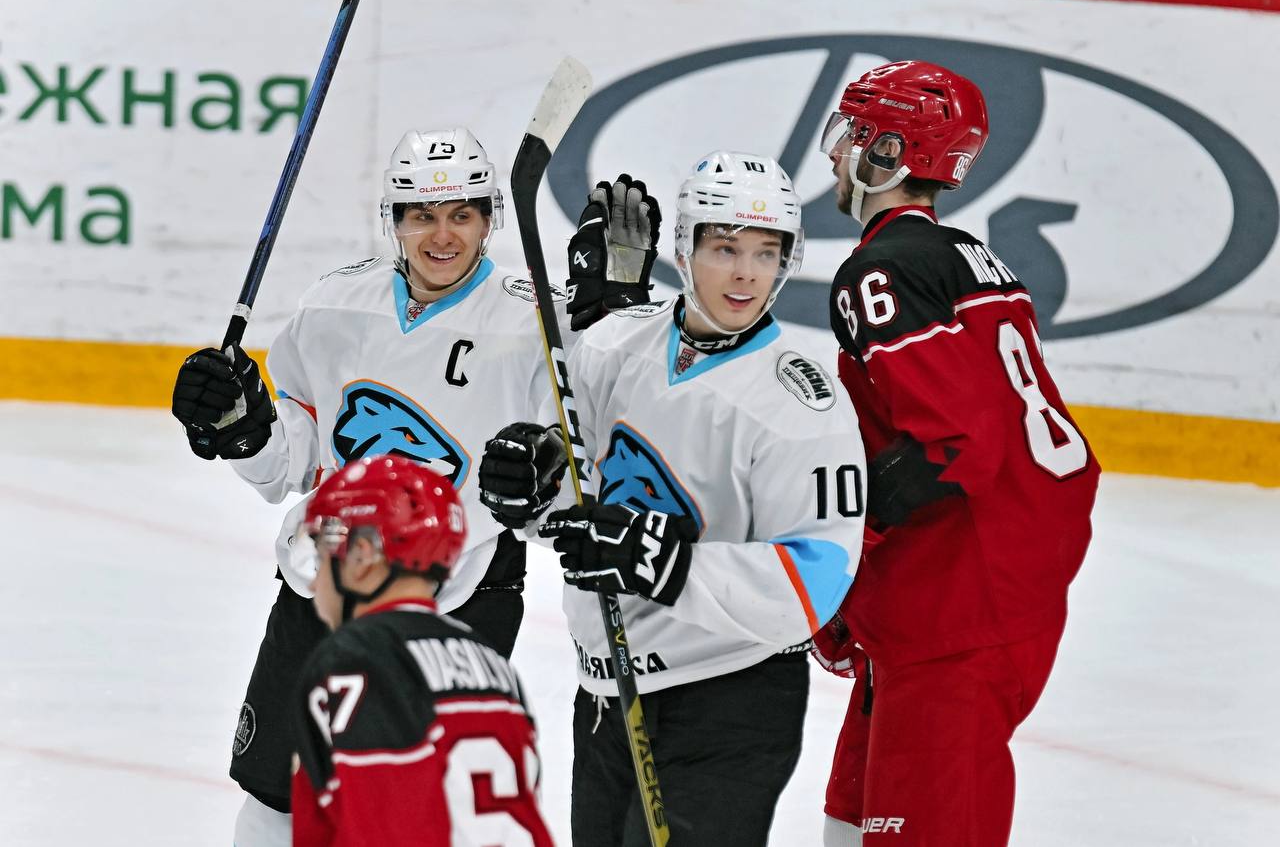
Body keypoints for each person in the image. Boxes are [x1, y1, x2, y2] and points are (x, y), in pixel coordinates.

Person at [169, 127, 570, 844]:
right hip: (322, 584)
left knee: (414, 809)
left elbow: (568, 489)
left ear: (489, 219)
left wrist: (541, 489)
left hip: (458, 599)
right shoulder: (335, 305)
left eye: (462, 214)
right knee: (277, 795)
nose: (442, 235)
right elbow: (289, 465)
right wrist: (243, 429)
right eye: (422, 215)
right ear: (394, 220)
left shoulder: (534, 322)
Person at [479, 152, 866, 847]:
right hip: (606, 689)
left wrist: (666, 562)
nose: (747, 273)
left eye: (766, 252)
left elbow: (818, 578)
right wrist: (531, 488)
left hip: (728, 698)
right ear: (684, 249)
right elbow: (577, 500)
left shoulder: (801, 402)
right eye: (726, 249)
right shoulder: (613, 344)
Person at [814, 61, 1101, 846]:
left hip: (958, 615)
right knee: (851, 821)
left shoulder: (879, 271)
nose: (836, 152)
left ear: (891, 154)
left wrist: (834, 555)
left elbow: (953, 444)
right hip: (957, 600)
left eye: (855, 134)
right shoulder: (976, 259)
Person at [290, 454, 553, 845]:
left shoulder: (352, 663)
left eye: (323, 556)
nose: (315, 583)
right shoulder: (493, 663)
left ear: (361, 555)